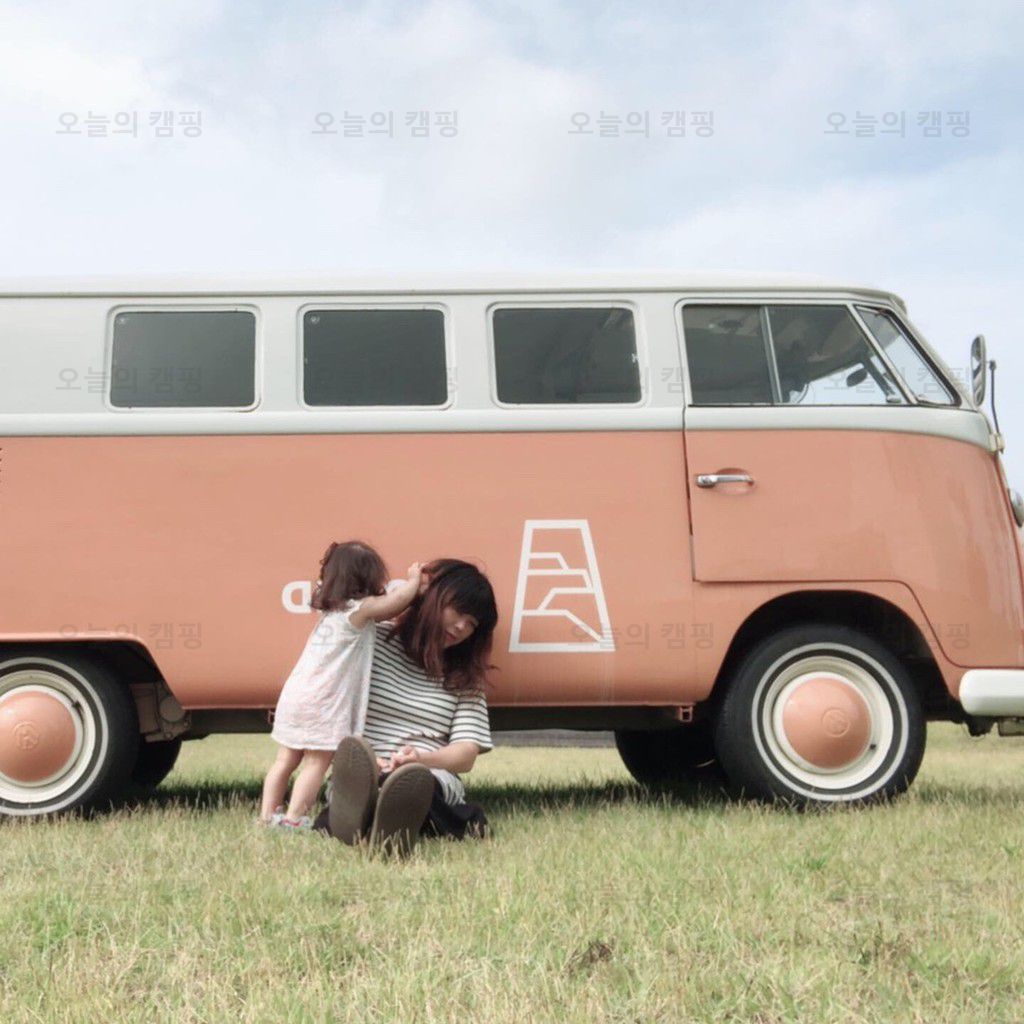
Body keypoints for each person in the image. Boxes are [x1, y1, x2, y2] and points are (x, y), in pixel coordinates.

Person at [319, 558, 499, 855]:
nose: (462, 627)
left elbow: (466, 755)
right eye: (458, 612)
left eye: (472, 624)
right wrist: (412, 590)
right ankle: (383, 814)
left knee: (414, 784)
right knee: (365, 781)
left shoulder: (466, 676)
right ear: (434, 597)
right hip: (364, 766)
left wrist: (419, 760)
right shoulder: (371, 639)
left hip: (429, 772)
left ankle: (367, 818)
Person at [259, 540, 426, 828]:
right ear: (366, 578)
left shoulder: (330, 609)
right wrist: (413, 581)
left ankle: (266, 817)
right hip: (323, 702)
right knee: (316, 762)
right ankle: (294, 818)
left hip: (296, 695)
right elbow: (394, 604)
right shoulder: (358, 609)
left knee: (284, 760)